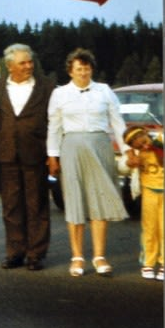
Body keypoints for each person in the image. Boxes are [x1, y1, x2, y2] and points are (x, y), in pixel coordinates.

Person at [47, 48, 129, 277]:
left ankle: (100, 256)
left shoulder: (104, 91)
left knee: (99, 203)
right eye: (79, 69)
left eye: (87, 68)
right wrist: (52, 155)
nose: (83, 73)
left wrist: (127, 150)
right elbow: (53, 127)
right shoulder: (60, 94)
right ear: (70, 71)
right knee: (75, 202)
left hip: (100, 146)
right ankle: (77, 257)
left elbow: (118, 123)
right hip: (71, 148)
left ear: (92, 69)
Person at [0, 43, 55, 271]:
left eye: (30, 61)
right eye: (23, 63)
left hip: (35, 152)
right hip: (7, 153)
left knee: (36, 204)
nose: (29, 66)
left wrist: (52, 153)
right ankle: (15, 252)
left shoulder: (46, 86)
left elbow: (54, 121)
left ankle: (36, 253)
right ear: (9, 66)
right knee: (11, 206)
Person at [123, 127, 164, 281]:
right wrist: (131, 159)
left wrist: (154, 147)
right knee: (150, 228)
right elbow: (126, 165)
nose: (141, 144)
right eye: (136, 144)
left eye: (142, 139)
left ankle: (163, 263)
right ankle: (148, 261)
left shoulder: (161, 141)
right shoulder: (136, 154)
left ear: (146, 133)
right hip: (149, 192)